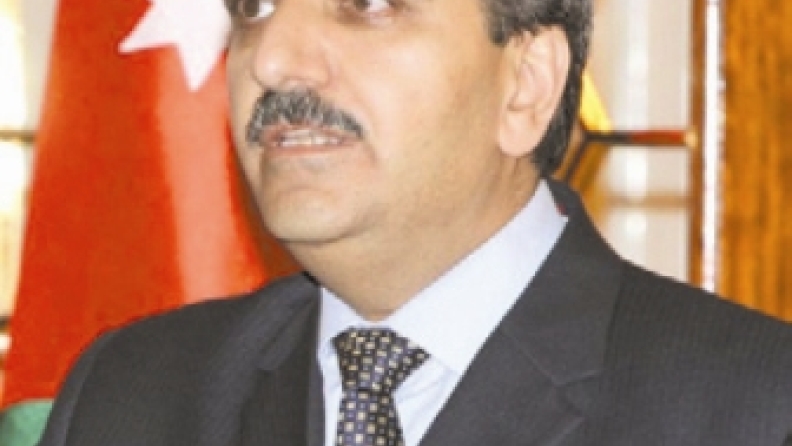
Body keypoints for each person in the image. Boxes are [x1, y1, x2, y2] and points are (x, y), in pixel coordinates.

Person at [37, 0, 792, 445]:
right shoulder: (130, 395)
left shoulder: (755, 409)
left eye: (367, 5)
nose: (272, 60)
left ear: (526, 86)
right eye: (254, 7)